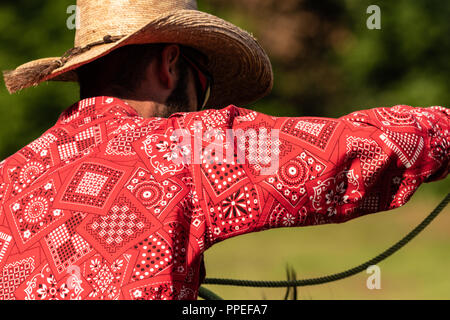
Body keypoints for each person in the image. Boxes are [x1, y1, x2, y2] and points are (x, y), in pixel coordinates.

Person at [0, 0, 448, 300]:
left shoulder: (10, 175)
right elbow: (346, 152)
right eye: (205, 80)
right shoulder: (185, 147)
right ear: (170, 63)